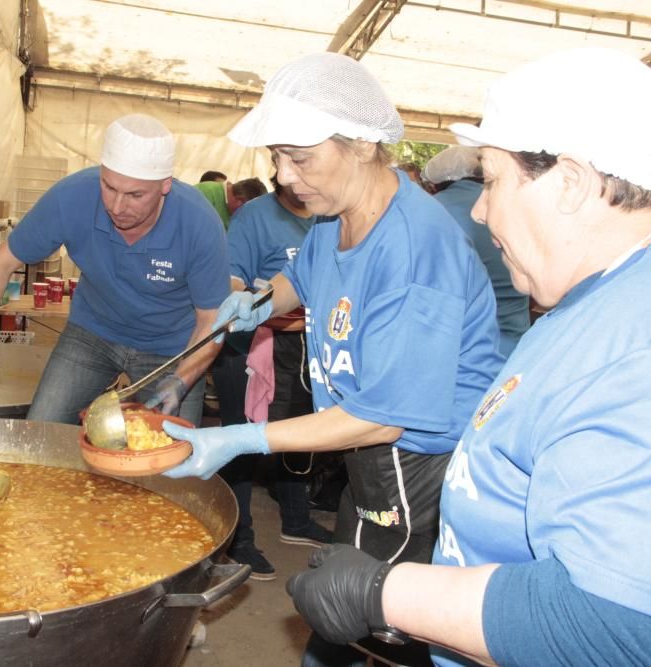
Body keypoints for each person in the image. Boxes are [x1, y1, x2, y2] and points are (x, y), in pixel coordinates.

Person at [285, 47, 651, 667]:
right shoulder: (615, 286)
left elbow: (609, 631)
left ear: (569, 183)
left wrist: (385, 591)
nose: (481, 209)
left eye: (491, 181)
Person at [162, 52, 504, 666]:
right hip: (369, 441)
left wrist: (243, 436)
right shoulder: (335, 215)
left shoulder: (414, 250)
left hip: (413, 456)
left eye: (301, 156)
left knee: (372, 612)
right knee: (343, 589)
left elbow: (388, 416)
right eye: (275, 159)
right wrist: (261, 301)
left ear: (365, 143)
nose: (285, 176)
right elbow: (305, 275)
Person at [0, 113, 230, 427]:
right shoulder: (72, 197)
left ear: (165, 185)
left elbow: (213, 320)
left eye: (135, 195)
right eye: (109, 187)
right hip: (93, 333)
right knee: (42, 430)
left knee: (170, 461)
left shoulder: (199, 223)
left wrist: (183, 379)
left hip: (171, 348)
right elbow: (2, 261)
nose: (116, 206)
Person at [215, 173, 336, 580]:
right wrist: (242, 302)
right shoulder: (254, 216)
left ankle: (296, 518)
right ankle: (239, 536)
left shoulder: (329, 214)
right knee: (242, 441)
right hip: (254, 346)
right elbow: (233, 278)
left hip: (308, 345)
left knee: (300, 430)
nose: (298, 179)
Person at [423, 146, 529, 356]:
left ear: (437, 182)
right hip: (517, 343)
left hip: (463, 351)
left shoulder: (429, 211)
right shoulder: (512, 205)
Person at [195, 177, 268, 229]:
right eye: (246, 212)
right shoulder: (207, 192)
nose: (245, 216)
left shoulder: (234, 214)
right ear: (240, 200)